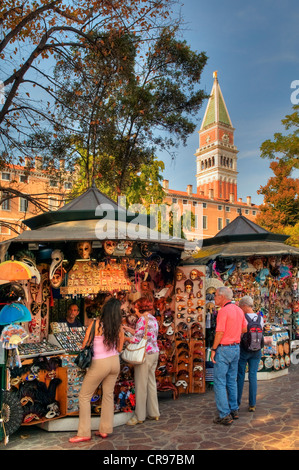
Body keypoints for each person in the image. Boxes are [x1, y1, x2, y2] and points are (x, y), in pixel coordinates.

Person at [69, 298, 125, 443]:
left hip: (100, 363)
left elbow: (85, 344)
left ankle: (84, 432)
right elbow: (119, 348)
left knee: (84, 396)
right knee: (108, 395)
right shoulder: (118, 327)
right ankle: (105, 429)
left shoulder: (95, 323)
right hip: (114, 362)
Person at [211, 287, 247, 425]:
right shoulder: (239, 310)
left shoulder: (223, 311)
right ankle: (234, 409)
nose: (214, 298)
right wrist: (234, 333)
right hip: (236, 348)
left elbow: (219, 332)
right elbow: (244, 328)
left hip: (224, 348)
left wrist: (214, 349)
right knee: (232, 380)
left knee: (219, 382)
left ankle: (224, 414)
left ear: (222, 297)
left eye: (215, 295)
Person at [124, 296, 160, 425]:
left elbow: (137, 340)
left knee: (140, 385)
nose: (134, 309)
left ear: (139, 307)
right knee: (151, 383)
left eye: (135, 306)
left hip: (144, 355)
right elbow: (147, 335)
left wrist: (125, 338)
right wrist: (131, 331)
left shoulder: (141, 320)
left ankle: (139, 416)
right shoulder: (153, 319)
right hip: (154, 353)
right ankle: (154, 412)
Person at [237, 295, 264, 412]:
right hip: (257, 350)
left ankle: (236, 403)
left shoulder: (242, 318)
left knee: (240, 376)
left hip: (244, 350)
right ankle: (252, 404)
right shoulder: (260, 318)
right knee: (253, 375)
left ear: (244, 306)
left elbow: (239, 334)